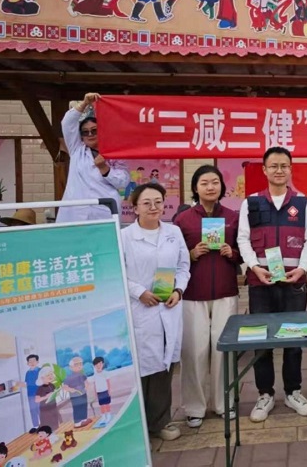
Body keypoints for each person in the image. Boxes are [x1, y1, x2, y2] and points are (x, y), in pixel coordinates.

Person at [237, 147, 307, 422]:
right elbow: (243, 239)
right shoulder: (251, 202)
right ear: (264, 169)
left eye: (284, 165)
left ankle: (294, 391)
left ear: (291, 169)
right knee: (262, 339)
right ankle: (265, 394)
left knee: (294, 339)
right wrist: (254, 266)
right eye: (273, 166)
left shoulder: (303, 203)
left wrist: (303, 268)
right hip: (261, 282)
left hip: (293, 282)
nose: (279, 170)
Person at [123, 182, 190, 441]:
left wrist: (179, 290)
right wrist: (139, 292)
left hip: (169, 306)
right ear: (135, 208)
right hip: (141, 309)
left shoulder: (173, 232)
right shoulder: (125, 237)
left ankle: (161, 421)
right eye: (146, 203)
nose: (153, 207)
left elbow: (183, 266)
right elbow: (119, 270)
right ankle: (139, 423)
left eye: (158, 202)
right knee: (142, 366)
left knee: (165, 364)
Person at [174, 166, 241, 425]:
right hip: (193, 294)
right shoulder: (183, 220)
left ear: (222, 186)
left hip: (225, 291)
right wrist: (191, 254)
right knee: (194, 351)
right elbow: (174, 257)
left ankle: (225, 403)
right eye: (204, 183)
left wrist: (232, 253)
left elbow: (243, 251)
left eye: (215, 182)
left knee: (223, 349)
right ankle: (194, 407)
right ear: (195, 187)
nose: (210, 187)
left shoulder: (233, 217)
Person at [56, 92, 129, 223]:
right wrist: (84, 103)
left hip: (104, 212)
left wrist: (105, 168)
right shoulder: (77, 149)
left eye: (94, 130)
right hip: (75, 212)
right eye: (85, 132)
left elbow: (123, 182)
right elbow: (67, 123)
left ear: (102, 131)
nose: (90, 134)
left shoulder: (114, 153)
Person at [63, 356, 91, 428]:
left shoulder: (82, 375)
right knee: (77, 408)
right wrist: (71, 389)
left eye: (80, 364)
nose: (79, 366)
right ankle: (77, 422)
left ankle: (84, 419)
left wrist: (87, 387)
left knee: (84, 406)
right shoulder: (69, 377)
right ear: (71, 367)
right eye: (76, 365)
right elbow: (65, 387)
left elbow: (86, 382)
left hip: (83, 393)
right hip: (75, 396)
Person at [23, 354, 41, 428]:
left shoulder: (40, 371)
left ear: (37, 361)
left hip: (39, 394)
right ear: (27, 363)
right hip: (30, 394)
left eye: (34, 361)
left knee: (40, 410)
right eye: (30, 361)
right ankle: (35, 426)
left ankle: (44, 425)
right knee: (33, 410)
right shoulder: (27, 373)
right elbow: (27, 384)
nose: (32, 363)